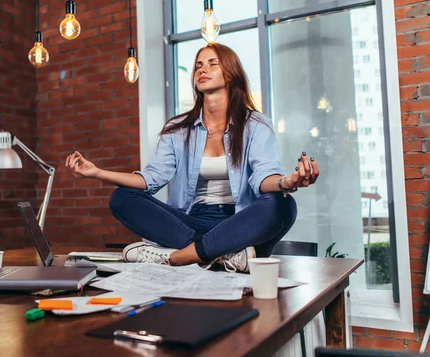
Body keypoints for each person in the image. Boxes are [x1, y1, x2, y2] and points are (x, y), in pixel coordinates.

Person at [64, 43, 320, 273]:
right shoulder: (178, 129)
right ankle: (225, 253)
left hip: (240, 219)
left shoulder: (255, 125)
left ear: (229, 73)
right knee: (121, 197)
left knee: (284, 205)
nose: (202, 70)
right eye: (198, 65)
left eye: (211, 64)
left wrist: (288, 182)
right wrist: (97, 172)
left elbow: (264, 176)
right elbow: (151, 179)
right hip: (190, 220)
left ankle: (177, 257)